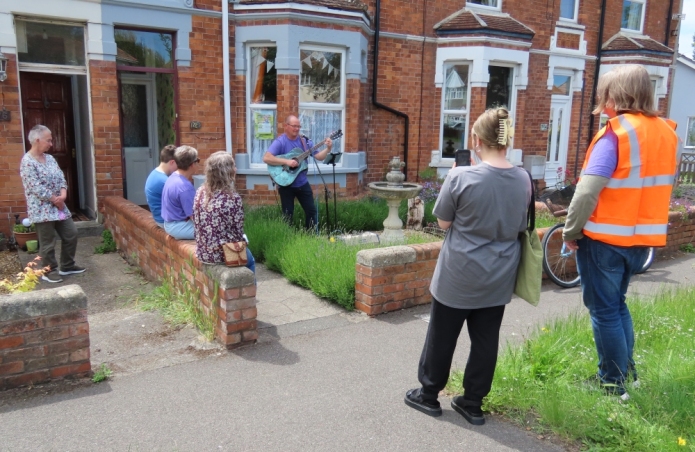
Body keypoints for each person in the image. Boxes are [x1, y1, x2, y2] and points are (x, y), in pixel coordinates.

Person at [404, 108, 531, 425]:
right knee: (486, 339)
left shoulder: (461, 175)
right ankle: (472, 402)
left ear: (476, 140)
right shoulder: (524, 179)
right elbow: (522, 225)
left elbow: (444, 222)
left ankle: (429, 395)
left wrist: (455, 177)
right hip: (500, 274)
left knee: (442, 335)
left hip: (459, 273)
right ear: (506, 139)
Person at [562, 65, 678, 397]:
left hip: (605, 241)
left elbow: (586, 191)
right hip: (642, 240)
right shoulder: (666, 132)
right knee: (617, 305)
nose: (603, 99)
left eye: (605, 93)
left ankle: (612, 384)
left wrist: (571, 231)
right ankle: (628, 375)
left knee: (604, 310)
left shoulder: (617, 133)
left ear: (615, 94)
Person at [19, 124, 87, 284]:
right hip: (42, 210)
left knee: (71, 234)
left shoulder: (50, 158)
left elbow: (61, 178)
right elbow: (34, 187)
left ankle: (67, 265)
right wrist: (55, 199)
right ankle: (48, 271)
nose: (51, 144)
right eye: (48, 140)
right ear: (37, 140)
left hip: (60, 207)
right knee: (48, 243)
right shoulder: (27, 162)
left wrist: (63, 195)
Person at [262, 115, 333, 230]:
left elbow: (319, 157)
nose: (297, 129)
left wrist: (328, 149)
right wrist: (287, 162)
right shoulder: (280, 142)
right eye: (294, 126)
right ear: (286, 126)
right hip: (286, 184)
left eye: (298, 126)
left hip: (302, 183)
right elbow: (266, 158)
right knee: (287, 215)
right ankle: (287, 239)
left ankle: (310, 237)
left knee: (311, 211)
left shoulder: (305, 141)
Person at [193, 151, 255, 273]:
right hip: (222, 254)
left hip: (203, 252)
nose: (236, 169)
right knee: (251, 261)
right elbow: (237, 232)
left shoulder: (200, 191)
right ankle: (250, 292)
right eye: (234, 166)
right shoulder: (231, 198)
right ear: (227, 172)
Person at [161, 145, 199, 240]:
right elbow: (194, 216)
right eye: (197, 160)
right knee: (216, 232)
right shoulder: (185, 187)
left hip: (169, 223)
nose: (198, 163)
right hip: (178, 226)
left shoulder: (172, 177)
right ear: (192, 164)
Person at [145, 145, 177, 227]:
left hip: (158, 219)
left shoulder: (154, 173)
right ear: (172, 162)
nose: (178, 168)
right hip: (165, 222)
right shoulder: (164, 181)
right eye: (178, 164)